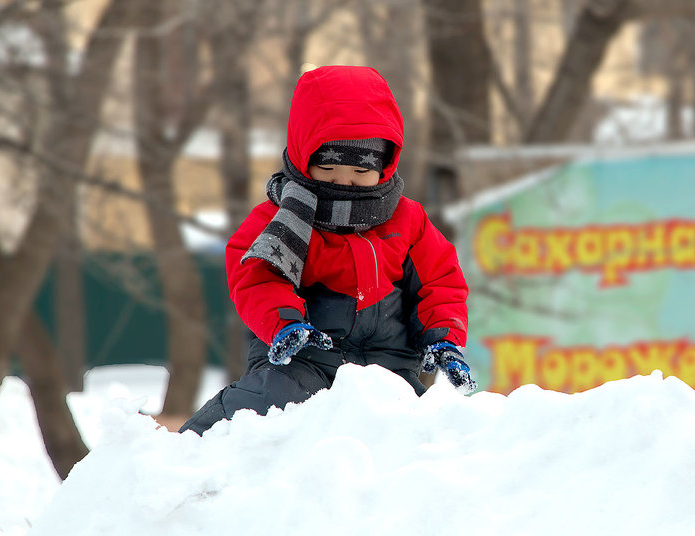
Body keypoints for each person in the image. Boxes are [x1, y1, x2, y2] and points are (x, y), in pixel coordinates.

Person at [179, 65, 476, 435]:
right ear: (306, 157)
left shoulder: (407, 219)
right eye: (329, 167)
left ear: (384, 166)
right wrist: (285, 324)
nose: (344, 181)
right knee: (263, 403)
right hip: (305, 360)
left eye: (359, 171)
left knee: (425, 431)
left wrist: (444, 337)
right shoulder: (279, 218)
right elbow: (255, 277)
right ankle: (188, 450)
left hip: (389, 367)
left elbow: (440, 280)